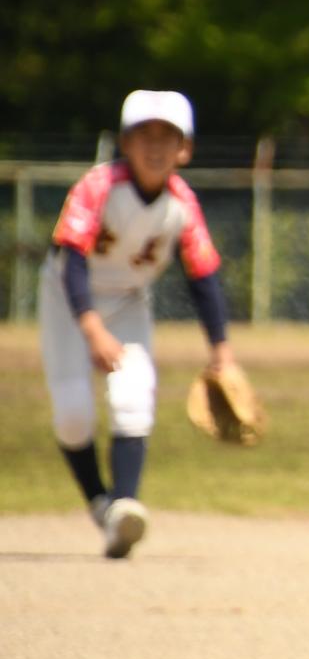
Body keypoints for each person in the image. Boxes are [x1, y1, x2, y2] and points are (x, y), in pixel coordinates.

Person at [39, 90, 237, 558]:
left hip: (128, 302)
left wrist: (222, 354)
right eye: (144, 134)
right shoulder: (98, 185)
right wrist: (90, 329)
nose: (155, 146)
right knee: (72, 414)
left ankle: (124, 507)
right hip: (69, 300)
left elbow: (203, 276)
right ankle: (99, 504)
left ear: (184, 149)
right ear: (125, 143)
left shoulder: (182, 203)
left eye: (167, 136)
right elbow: (71, 261)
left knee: (134, 397)